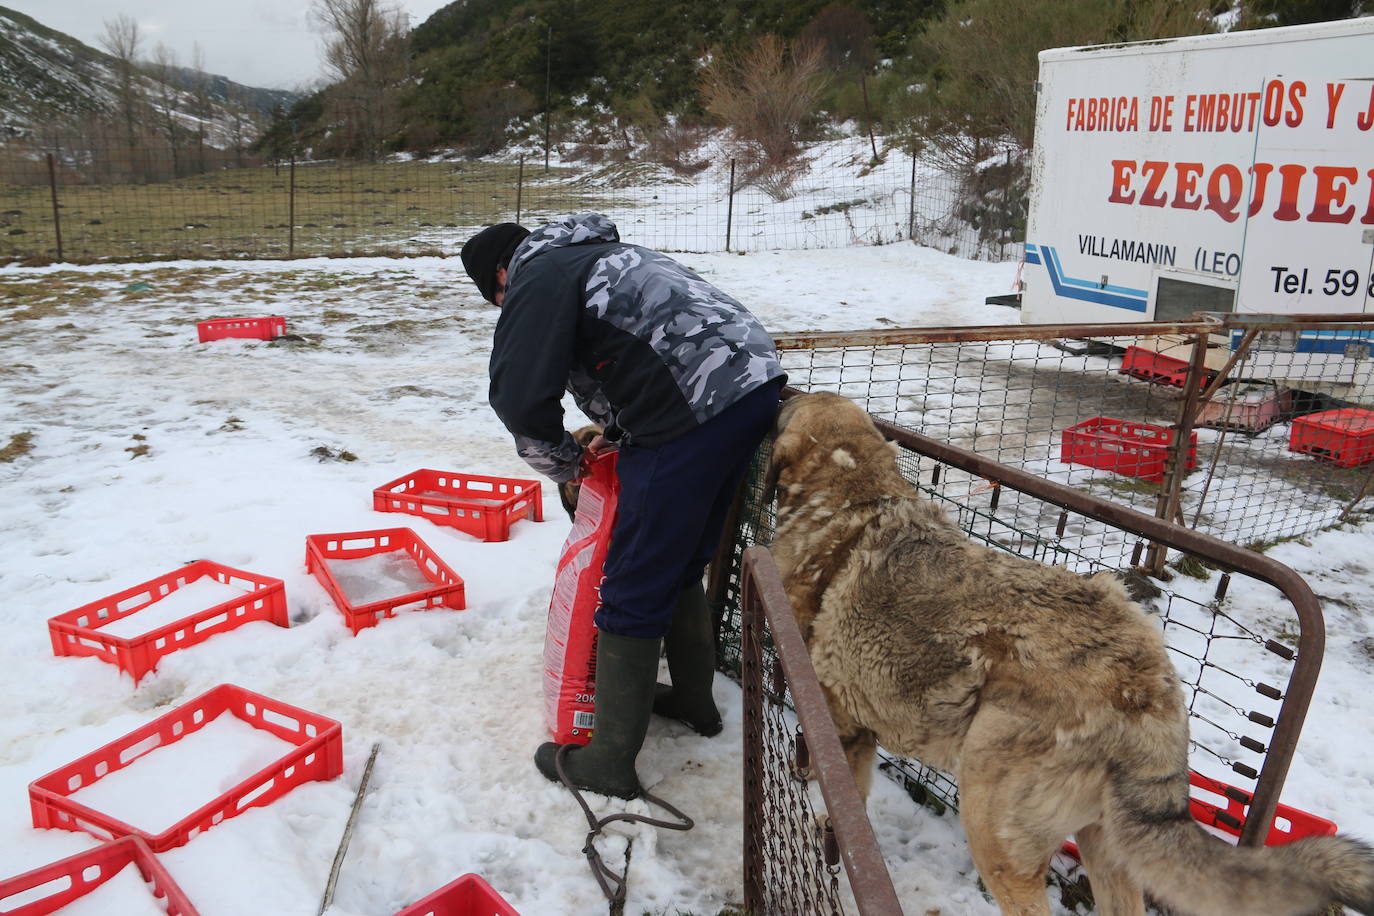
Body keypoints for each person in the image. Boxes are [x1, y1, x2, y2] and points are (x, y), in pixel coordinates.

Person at [461, 213, 785, 799]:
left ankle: (608, 760)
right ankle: (692, 699)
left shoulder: (539, 275)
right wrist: (620, 427)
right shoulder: (594, 256)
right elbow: (631, 347)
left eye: (498, 301)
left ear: (503, 276)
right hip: (750, 388)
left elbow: (519, 398)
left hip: (688, 411)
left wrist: (565, 463)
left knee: (631, 580)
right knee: (682, 558)